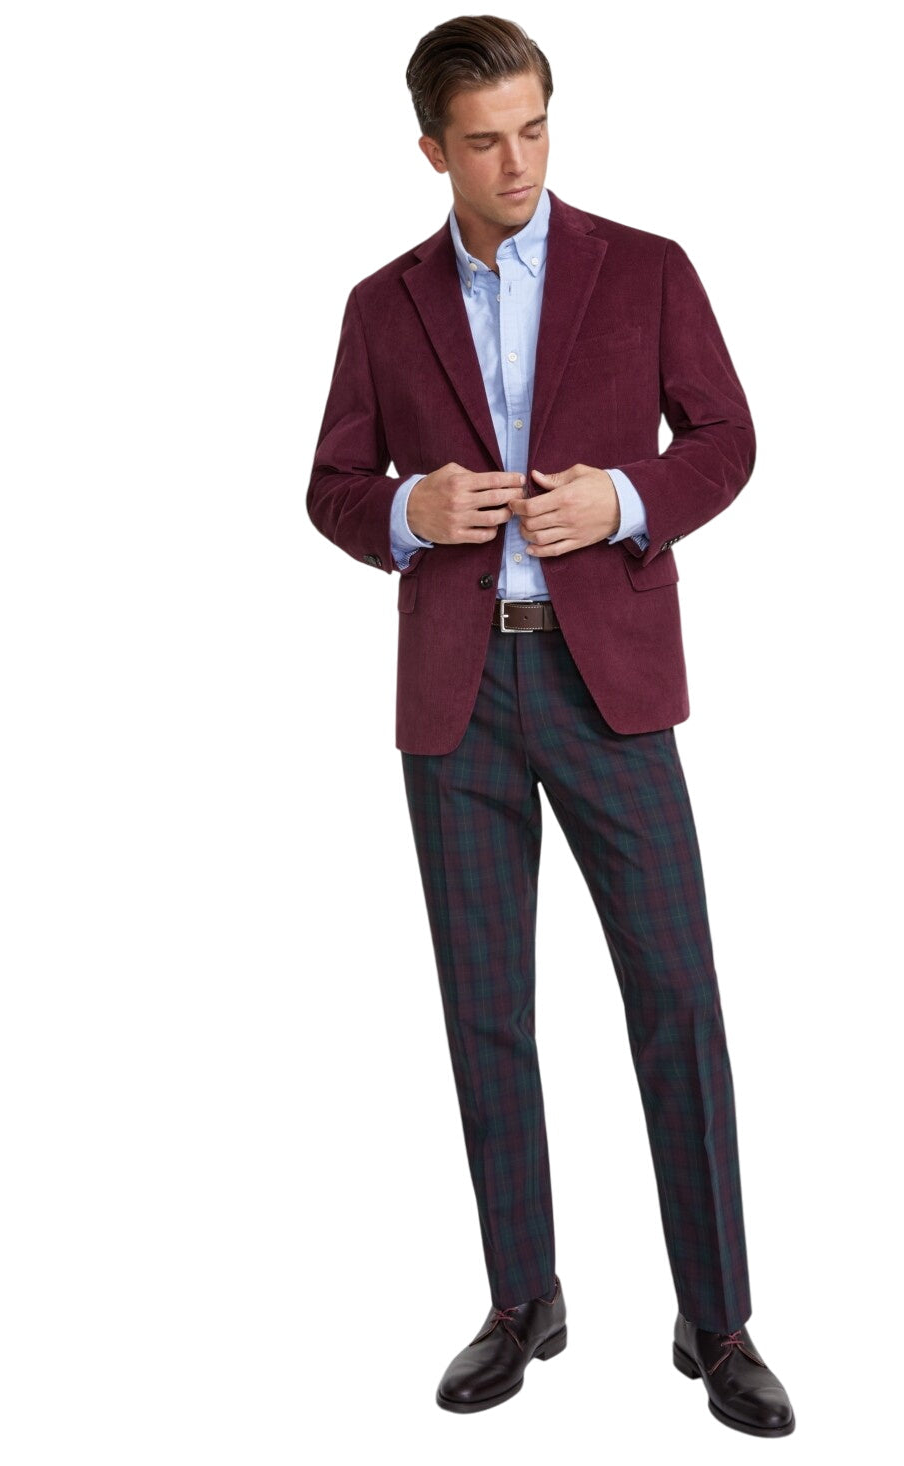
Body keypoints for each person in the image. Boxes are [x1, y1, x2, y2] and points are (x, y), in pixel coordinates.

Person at [305, 15, 795, 1438]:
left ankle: (718, 1319)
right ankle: (523, 1298)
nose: (517, 163)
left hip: (608, 685)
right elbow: (332, 485)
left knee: (677, 997)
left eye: (535, 129)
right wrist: (408, 512)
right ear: (430, 150)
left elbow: (728, 439)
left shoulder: (645, 269)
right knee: (485, 1007)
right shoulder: (381, 305)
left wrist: (625, 500)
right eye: (484, 142)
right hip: (457, 696)